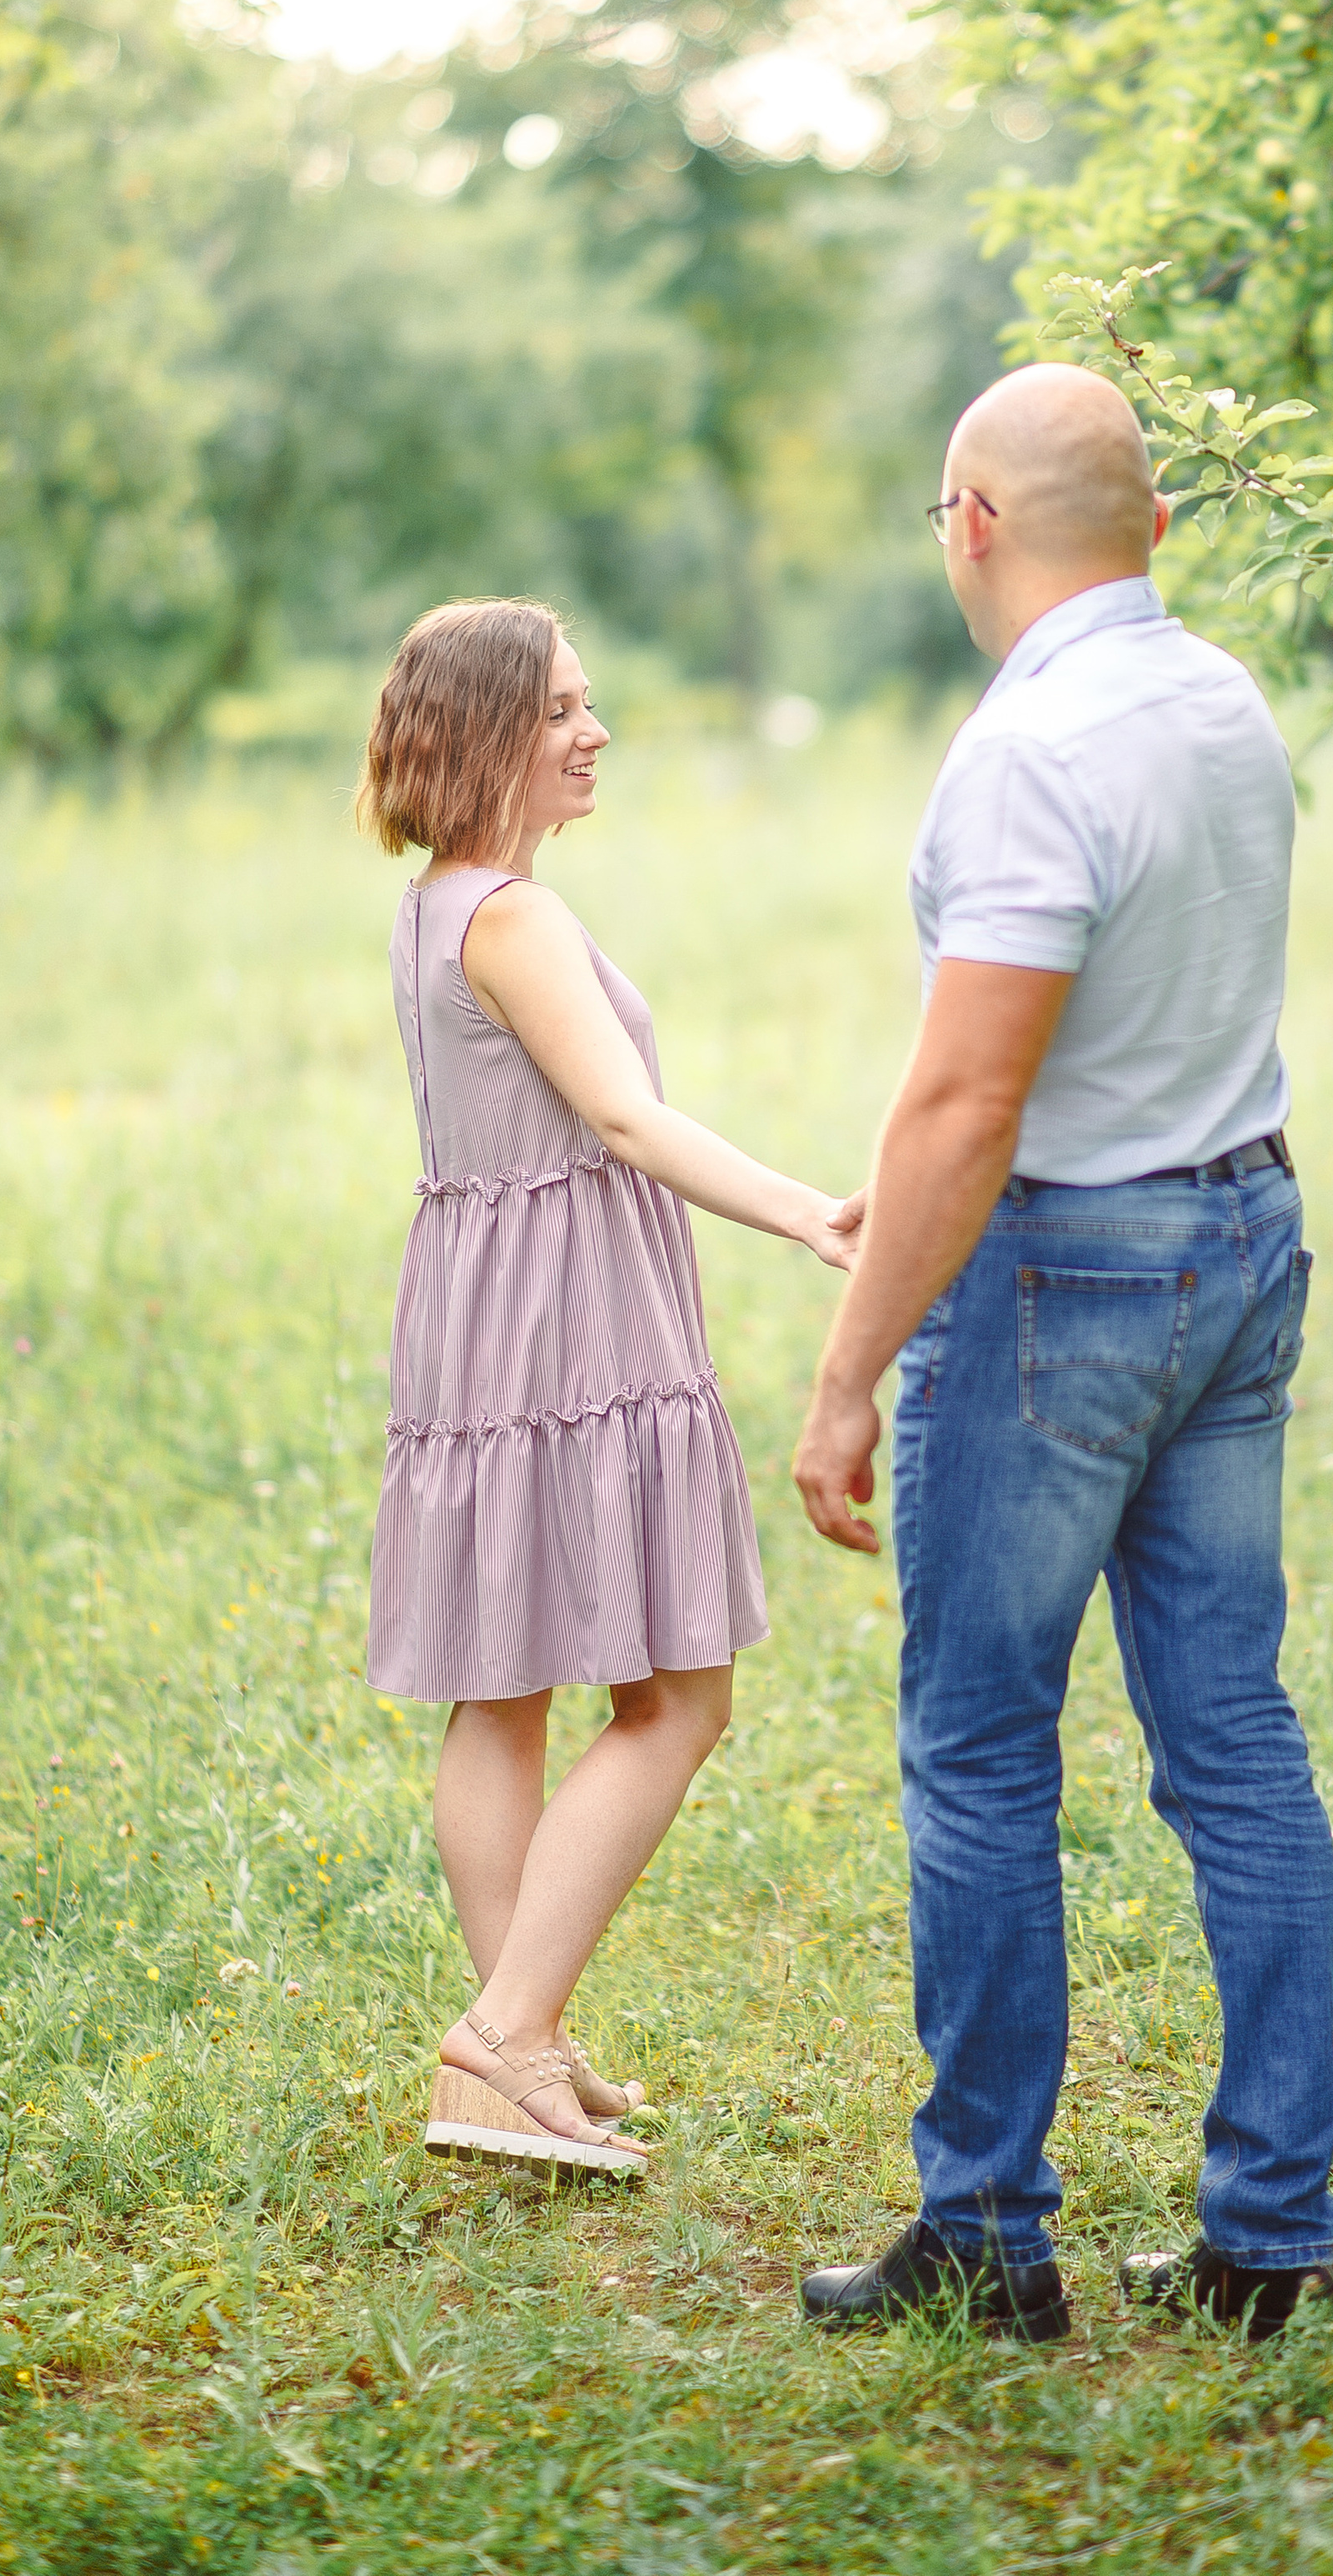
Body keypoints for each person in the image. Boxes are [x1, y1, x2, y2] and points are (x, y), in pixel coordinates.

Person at [792, 364, 1333, 2342]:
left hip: (1063, 1279)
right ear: (1158, 529)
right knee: (1233, 1744)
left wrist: (849, 1372)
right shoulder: (1220, 700)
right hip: (1241, 1230)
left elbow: (964, 1103)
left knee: (976, 1748)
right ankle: (1269, 2237)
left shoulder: (1028, 752)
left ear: (968, 520)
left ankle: (987, 2240)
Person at [357, 598, 856, 2175]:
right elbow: (628, 1122)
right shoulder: (516, 917)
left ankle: (522, 2047)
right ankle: (507, 2035)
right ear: (493, 729)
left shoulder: (440, 905)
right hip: (570, 1329)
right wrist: (815, 1214)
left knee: (502, 1693)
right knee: (679, 1695)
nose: (595, 729)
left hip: (484, 1318)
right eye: (566, 707)